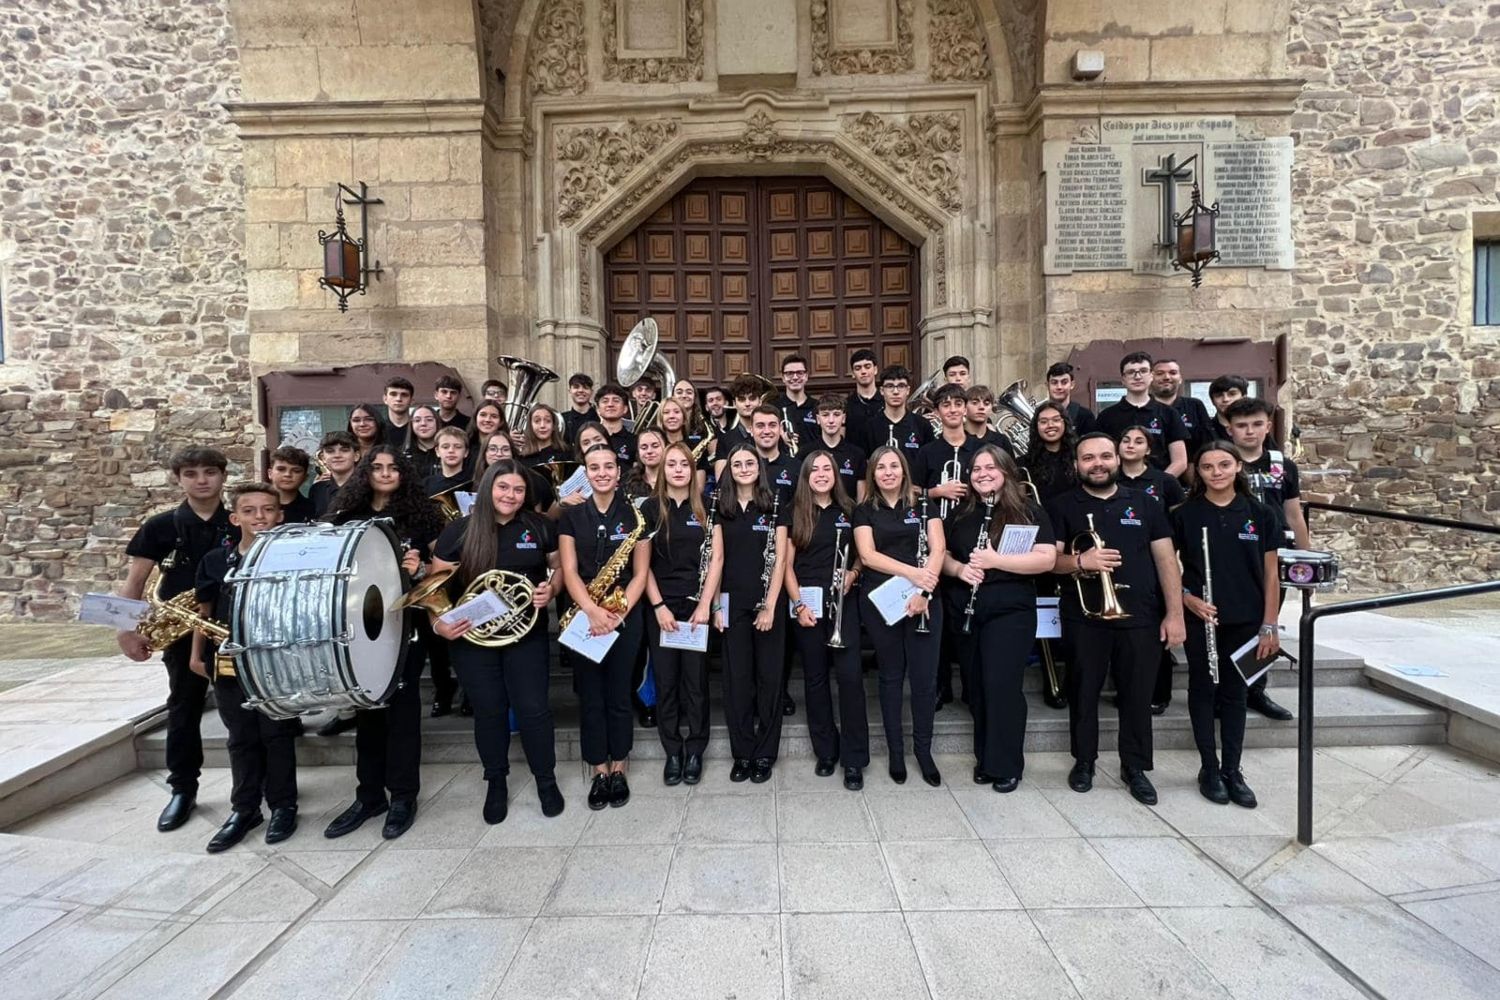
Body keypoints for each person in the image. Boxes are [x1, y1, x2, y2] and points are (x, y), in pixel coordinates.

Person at [1047, 432, 1185, 807]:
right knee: (1083, 691)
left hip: (1140, 614)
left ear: (1117, 460)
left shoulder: (1144, 503)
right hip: (1084, 617)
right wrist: (1081, 562)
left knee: (1137, 695)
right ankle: (1084, 761)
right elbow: (1050, 561)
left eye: (1105, 456)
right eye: (1088, 458)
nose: (1097, 464)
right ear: (1077, 465)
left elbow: (1166, 560)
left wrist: (1175, 614)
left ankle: (1135, 767)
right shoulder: (1062, 505)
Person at [429, 460, 566, 823]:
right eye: (503, 488)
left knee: (534, 709)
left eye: (518, 490)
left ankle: (546, 780)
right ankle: (496, 781)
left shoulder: (539, 526)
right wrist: (438, 623)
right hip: (474, 641)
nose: (511, 495)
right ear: (488, 488)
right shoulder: (458, 531)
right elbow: (434, 589)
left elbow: (557, 568)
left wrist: (550, 588)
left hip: (526, 635)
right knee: (489, 711)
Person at [321, 446, 445, 840]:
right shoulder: (346, 517)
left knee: (403, 713)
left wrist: (420, 568)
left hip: (404, 622)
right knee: (367, 713)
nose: (386, 473)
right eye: (377, 467)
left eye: (393, 468)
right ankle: (369, 795)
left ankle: (404, 796)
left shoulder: (422, 517)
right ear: (365, 473)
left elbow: (440, 572)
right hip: (359, 625)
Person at [117, 447, 236, 832]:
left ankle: (253, 788)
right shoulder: (159, 526)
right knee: (183, 708)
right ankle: (183, 789)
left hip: (233, 626)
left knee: (245, 711)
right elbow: (135, 584)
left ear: (223, 476)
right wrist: (126, 631)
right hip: (182, 632)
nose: (201, 480)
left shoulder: (239, 522)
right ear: (178, 479)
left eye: (209, 472)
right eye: (191, 473)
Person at [190, 481, 299, 851]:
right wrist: (196, 655)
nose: (260, 517)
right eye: (250, 511)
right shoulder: (215, 561)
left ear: (280, 515)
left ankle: (283, 805)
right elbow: (203, 614)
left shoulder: (294, 557)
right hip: (227, 661)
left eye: (268, 510)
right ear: (235, 517)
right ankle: (245, 808)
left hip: (274, 661)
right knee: (240, 738)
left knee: (277, 734)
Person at [1173, 442, 1282, 809]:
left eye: (1223, 464)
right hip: (1201, 615)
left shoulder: (1261, 513)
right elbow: (1170, 565)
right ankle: (1209, 766)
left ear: (1238, 467)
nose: (1216, 472)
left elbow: (1271, 573)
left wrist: (1270, 623)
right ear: (1198, 473)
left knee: (1236, 694)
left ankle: (1233, 769)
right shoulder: (1184, 513)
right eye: (1207, 467)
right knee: (1203, 689)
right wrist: (1187, 597)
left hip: (1248, 619)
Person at [942, 446, 1056, 793]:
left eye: (990, 468)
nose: (982, 474)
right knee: (975, 688)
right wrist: (960, 569)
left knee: (1001, 687)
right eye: (976, 469)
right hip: (968, 611)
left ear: (1006, 471)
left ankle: (1006, 764)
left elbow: (1047, 559)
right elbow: (943, 555)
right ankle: (985, 759)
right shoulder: (962, 513)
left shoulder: (1028, 511)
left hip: (1010, 612)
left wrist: (995, 560)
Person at [558, 443, 650, 810]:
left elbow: (641, 573)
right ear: (586, 472)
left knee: (618, 695)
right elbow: (567, 570)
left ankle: (620, 766)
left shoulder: (636, 515)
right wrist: (592, 612)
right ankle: (598, 769)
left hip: (623, 616)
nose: (601, 473)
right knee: (591, 697)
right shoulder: (571, 515)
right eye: (594, 467)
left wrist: (618, 612)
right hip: (584, 615)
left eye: (608, 466)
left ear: (618, 471)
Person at [853, 446, 946, 786]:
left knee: (924, 680)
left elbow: (938, 549)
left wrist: (923, 591)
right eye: (881, 467)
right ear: (873, 474)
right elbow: (868, 555)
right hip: (882, 602)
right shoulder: (864, 511)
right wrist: (913, 574)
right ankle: (895, 752)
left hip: (924, 601)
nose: (888, 472)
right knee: (890, 677)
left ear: (904, 470)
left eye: (894, 466)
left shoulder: (923, 505)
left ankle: (924, 752)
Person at [785, 450, 868, 790]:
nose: (821, 474)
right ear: (806, 476)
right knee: (815, 680)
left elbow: (863, 555)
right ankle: (826, 751)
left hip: (843, 605)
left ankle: (854, 758)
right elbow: (786, 566)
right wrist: (798, 605)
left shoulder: (852, 511)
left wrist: (854, 573)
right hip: (808, 604)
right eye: (814, 469)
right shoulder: (795, 512)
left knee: (850, 680)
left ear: (836, 474)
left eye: (827, 469)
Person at [1226, 396, 1309, 722]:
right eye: (1242, 425)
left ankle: (1255, 690)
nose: (1250, 432)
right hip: (1232, 554)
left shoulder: (1282, 465)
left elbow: (1294, 515)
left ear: (1268, 426)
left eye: (1257, 424)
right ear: (1230, 429)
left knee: (1266, 622)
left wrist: (1305, 564)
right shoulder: (1221, 461)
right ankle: (1229, 691)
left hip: (1273, 553)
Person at [642, 441, 720, 785]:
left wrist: (705, 604)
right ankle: (673, 750)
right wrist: (658, 606)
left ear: (692, 470)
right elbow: (642, 566)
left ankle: (696, 749)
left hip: (695, 607)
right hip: (661, 608)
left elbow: (717, 559)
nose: (677, 469)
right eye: (671, 464)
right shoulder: (647, 509)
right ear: (662, 470)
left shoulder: (707, 507)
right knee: (667, 681)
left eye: (684, 464)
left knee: (695, 683)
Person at [713, 442, 789, 784]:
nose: (744, 468)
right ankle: (742, 752)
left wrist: (771, 605)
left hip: (767, 604)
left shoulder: (775, 504)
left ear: (759, 467)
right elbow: (714, 560)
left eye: (749, 462)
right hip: (731, 603)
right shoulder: (719, 506)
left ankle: (765, 753)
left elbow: (781, 559)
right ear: (729, 469)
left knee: (769, 679)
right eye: (737, 463)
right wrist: (715, 605)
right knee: (736, 681)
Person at [909, 383, 979, 711]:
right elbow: (911, 492)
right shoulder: (927, 452)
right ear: (937, 412)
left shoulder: (982, 449)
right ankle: (940, 686)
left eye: (957, 404)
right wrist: (938, 492)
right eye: (945, 405)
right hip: (935, 540)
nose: (952, 410)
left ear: (965, 408)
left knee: (967, 615)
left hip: (970, 538)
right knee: (935, 618)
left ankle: (970, 683)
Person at [1119, 424, 1189, 715]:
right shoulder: (1108, 478)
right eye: (1125, 440)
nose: (1131, 445)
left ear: (1148, 449)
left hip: (1157, 563)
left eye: (1138, 441)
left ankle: (1158, 693)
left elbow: (1179, 523)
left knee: (1155, 633)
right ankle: (1126, 690)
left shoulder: (1164, 482)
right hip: (1120, 564)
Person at [1095, 352, 1189, 477]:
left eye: (1143, 371)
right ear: (1123, 379)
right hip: (1117, 490)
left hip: (1157, 490)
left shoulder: (1169, 413)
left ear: (1151, 376)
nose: (1137, 377)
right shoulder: (1106, 416)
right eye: (1131, 372)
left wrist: (1159, 484)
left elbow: (1180, 462)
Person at [859, 364, 933, 459]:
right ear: (882, 391)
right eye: (890, 386)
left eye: (901, 386)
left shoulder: (922, 425)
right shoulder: (869, 427)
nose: (895, 391)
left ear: (908, 390)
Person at [1152, 358, 1214, 454]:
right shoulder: (1141, 408)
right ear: (1150, 378)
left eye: (1173, 373)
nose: (1166, 377)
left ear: (1180, 379)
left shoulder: (1195, 406)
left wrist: (1193, 463)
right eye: (1160, 373)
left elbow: (1207, 441)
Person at [812, 393, 867, 501]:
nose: (831, 420)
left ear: (844, 418)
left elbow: (861, 501)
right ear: (818, 419)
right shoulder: (806, 452)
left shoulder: (857, 454)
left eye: (836, 414)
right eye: (825, 415)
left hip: (848, 515)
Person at [1021, 402, 1078, 503]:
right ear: (1036, 427)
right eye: (1043, 422)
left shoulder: (1078, 457)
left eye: (1056, 420)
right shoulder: (1023, 464)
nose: (1050, 425)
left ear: (1065, 423)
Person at [309, 431, 359, 518]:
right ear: (323, 458)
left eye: (344, 450)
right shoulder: (317, 490)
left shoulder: (370, 488)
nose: (337, 455)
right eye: (330, 451)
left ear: (356, 456)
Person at [774, 354, 817, 454]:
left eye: (800, 373)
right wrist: (780, 439)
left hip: (812, 465)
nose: (795, 377)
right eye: (789, 373)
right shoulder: (774, 407)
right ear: (783, 378)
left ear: (806, 376)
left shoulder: (817, 407)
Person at [1045, 362, 1097, 436]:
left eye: (1064, 382)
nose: (1059, 387)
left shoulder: (1085, 416)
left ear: (1072, 385)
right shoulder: (1040, 415)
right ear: (1047, 385)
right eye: (1054, 382)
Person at [844, 348, 884, 443]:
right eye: (858, 368)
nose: (863, 371)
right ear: (853, 374)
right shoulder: (845, 405)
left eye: (867, 366)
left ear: (875, 370)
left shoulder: (887, 402)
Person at [268, 445, 314, 524]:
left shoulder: (313, 509)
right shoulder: (255, 507)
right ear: (270, 473)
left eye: (296, 471)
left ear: (305, 477)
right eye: (281, 469)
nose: (287, 474)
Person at [963, 385, 1016, 454]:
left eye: (986, 404)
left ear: (991, 409)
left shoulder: (1002, 441)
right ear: (964, 408)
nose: (981, 407)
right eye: (975, 403)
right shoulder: (955, 439)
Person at [424, 426, 471, 499]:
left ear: (466, 452)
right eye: (445, 447)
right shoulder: (426, 484)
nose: (451, 450)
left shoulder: (473, 483)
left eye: (458, 447)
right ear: (437, 451)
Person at [594, 383, 636, 465]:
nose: (610, 404)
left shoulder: (634, 441)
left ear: (625, 409)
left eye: (616, 401)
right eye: (605, 401)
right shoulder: (590, 439)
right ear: (598, 409)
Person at [625, 426, 667, 505]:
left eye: (655, 446)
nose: (649, 451)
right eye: (644, 447)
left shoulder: (676, 479)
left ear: (666, 447)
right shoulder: (628, 481)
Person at [404, 404, 441, 483]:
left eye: (429, 420)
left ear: (437, 423)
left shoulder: (447, 452)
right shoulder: (403, 454)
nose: (423, 423)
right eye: (417, 420)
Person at [1207, 375, 1248, 442]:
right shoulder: (1204, 431)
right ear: (1212, 401)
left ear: (1244, 397)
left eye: (1232, 394)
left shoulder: (1255, 428)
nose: (1225, 399)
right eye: (1219, 395)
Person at [562, 372, 599, 445]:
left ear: (591, 392)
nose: (581, 390)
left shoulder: (600, 418)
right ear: (569, 391)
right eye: (576, 387)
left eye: (585, 387)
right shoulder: (561, 419)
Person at [383, 377, 415, 451]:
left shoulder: (419, 428)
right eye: (393, 394)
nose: (398, 399)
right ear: (385, 399)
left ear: (412, 401)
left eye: (404, 395)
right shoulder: (378, 429)